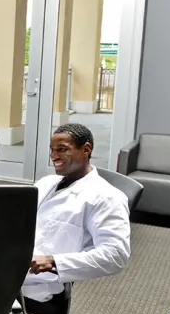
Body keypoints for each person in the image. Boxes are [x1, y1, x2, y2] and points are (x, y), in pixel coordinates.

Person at [22, 123, 130, 304]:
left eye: (62, 149)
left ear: (86, 149)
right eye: (52, 150)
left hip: (40, 279)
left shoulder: (107, 197)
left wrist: (53, 261)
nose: (54, 156)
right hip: (15, 259)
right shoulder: (46, 183)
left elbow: (115, 255)